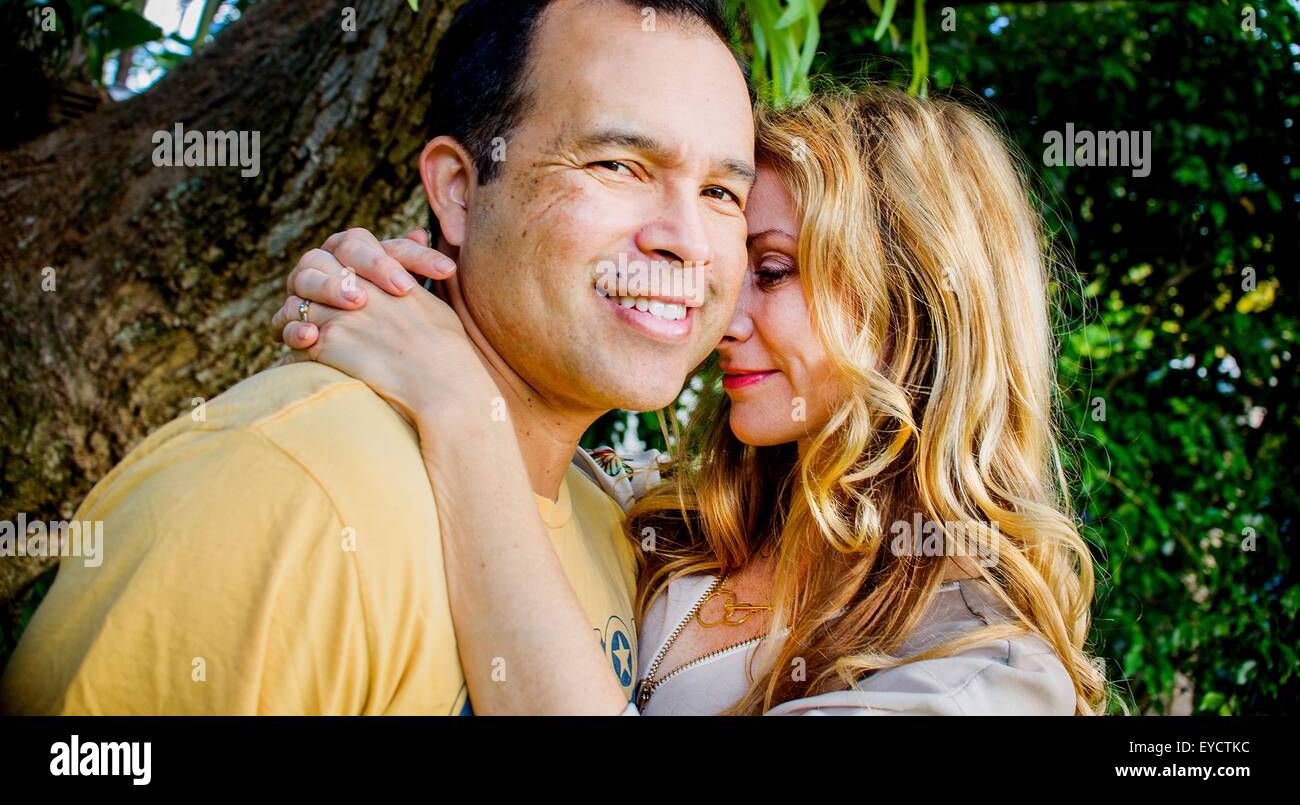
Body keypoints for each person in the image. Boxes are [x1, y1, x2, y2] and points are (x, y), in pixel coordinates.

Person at [0, 0, 757, 714]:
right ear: (459, 192)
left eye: (723, 191)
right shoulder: (289, 488)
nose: (687, 239)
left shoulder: (624, 534)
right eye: (618, 164)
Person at [274, 86, 1109, 715]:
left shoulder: (979, 674)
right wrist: (390, 305)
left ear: (922, 305)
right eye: (731, 270)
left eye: (773, 271)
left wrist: (460, 409)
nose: (722, 320)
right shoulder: (660, 511)